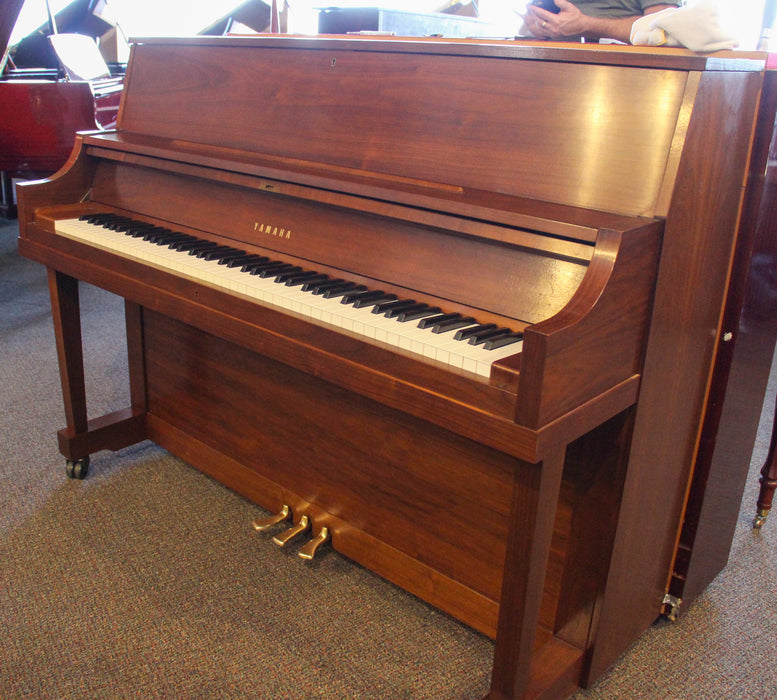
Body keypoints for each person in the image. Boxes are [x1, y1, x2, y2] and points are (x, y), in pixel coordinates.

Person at [523, 0, 681, 44]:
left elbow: (662, 28)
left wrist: (586, 25)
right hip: (551, 61)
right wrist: (537, 26)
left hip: (621, 64)